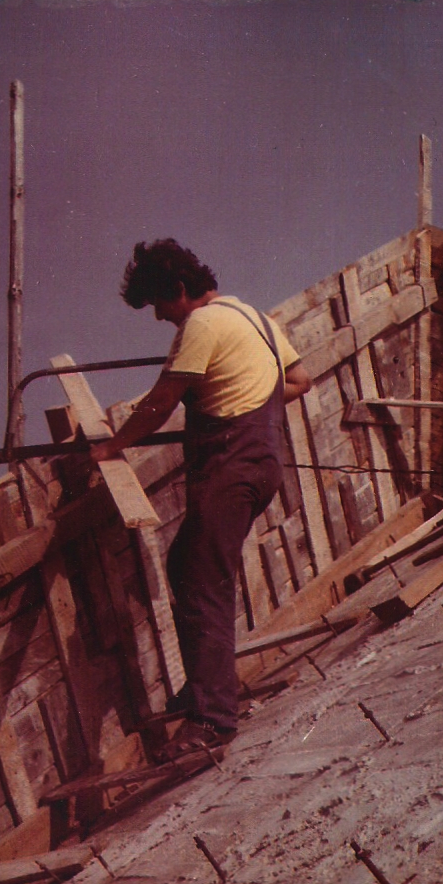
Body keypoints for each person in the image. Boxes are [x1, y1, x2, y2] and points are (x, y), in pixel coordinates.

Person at [90, 239, 312, 756]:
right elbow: (299, 380)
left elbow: (162, 400)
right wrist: (240, 392)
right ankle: (207, 684)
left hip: (230, 467)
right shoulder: (254, 317)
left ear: (180, 288)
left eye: (159, 304)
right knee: (185, 564)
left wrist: (112, 446)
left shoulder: (202, 324)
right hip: (261, 462)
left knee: (203, 584)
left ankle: (212, 719)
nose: (159, 317)